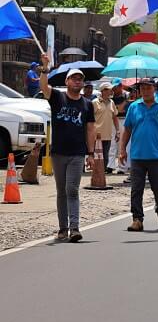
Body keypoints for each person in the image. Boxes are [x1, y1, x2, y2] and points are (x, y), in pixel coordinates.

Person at [38, 53, 95, 243]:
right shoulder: (57, 97)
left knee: (72, 189)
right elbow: (44, 87)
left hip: (77, 154)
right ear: (67, 81)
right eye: (74, 79)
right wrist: (45, 67)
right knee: (61, 191)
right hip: (58, 153)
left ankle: (75, 228)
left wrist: (91, 153)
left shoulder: (87, 104)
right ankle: (62, 229)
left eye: (80, 79)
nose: (78, 82)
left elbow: (90, 129)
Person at [120, 78, 158, 232]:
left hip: (157, 155)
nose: (145, 91)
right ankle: (137, 219)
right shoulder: (134, 107)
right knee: (136, 189)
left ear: (153, 89)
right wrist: (122, 149)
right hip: (137, 155)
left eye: (148, 88)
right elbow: (127, 130)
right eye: (142, 88)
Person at [92, 82, 120, 170]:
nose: (111, 91)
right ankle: (96, 174)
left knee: (105, 156)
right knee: (95, 156)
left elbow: (115, 117)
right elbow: (89, 119)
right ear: (103, 91)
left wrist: (118, 131)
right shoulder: (94, 102)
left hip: (107, 134)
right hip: (96, 135)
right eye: (108, 89)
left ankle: (102, 174)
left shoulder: (112, 102)